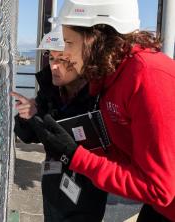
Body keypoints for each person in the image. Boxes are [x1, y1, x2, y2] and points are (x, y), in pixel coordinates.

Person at [35, 0, 175, 221]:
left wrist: (76, 156)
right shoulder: (111, 78)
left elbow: (159, 188)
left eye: (69, 43)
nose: (65, 54)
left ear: (96, 39)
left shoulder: (148, 77)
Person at [12, 25, 107, 222]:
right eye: (51, 58)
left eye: (62, 59)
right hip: (53, 180)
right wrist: (27, 116)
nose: (54, 66)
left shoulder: (99, 96)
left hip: (88, 186)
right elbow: (28, 136)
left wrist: (40, 116)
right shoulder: (50, 89)